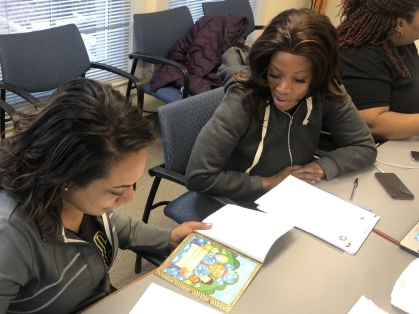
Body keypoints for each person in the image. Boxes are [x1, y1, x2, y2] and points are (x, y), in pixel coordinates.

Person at [0, 78, 211, 313]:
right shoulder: (9, 238)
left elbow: (111, 226)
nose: (130, 200)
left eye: (133, 185)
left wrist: (169, 237)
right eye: (117, 191)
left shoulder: (76, 199)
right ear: (65, 178)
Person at [185, 8, 377, 219]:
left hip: (290, 196)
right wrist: (269, 182)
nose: (283, 89)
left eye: (299, 80)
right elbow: (199, 176)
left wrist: (320, 167)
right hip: (237, 202)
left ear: (319, 78)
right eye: (275, 74)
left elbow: (364, 146)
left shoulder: (326, 90)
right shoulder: (243, 100)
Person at [337, 0, 419, 141]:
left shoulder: (403, 44)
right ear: (400, 24)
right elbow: (372, 124)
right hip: (370, 152)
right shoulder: (360, 55)